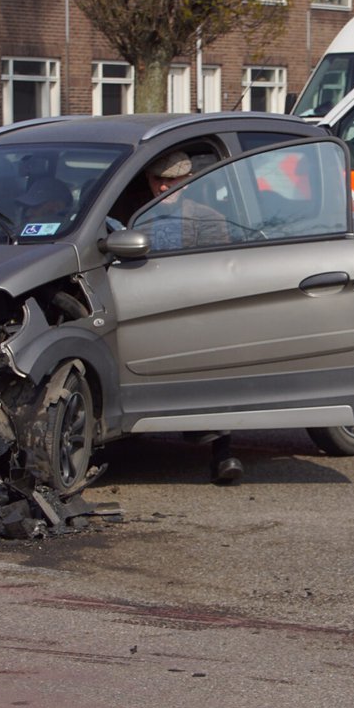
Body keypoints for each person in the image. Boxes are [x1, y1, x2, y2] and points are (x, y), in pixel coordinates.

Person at [142, 149, 244, 485]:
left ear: (187, 181)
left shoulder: (207, 218)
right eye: (159, 180)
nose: (163, 188)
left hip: (196, 314)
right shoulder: (135, 218)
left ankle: (223, 453)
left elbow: (218, 275)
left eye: (172, 181)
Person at [142, 150, 234, 251]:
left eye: (171, 179)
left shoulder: (209, 219)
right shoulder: (138, 218)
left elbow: (211, 262)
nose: (163, 187)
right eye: (157, 178)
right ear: (148, 178)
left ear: (186, 181)